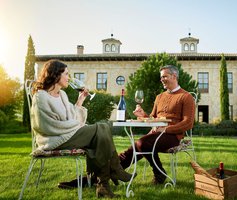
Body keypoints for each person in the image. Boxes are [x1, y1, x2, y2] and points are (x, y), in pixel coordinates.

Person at [31, 59, 134, 198]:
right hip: (54, 139)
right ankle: (114, 171)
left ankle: (104, 184)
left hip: (68, 134)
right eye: (66, 74)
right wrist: (77, 126)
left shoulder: (62, 95)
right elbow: (46, 125)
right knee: (102, 128)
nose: (69, 77)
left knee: (98, 140)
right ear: (56, 75)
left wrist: (80, 100)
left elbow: (71, 117)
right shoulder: (41, 96)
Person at [119, 65, 195, 184]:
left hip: (173, 137)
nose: (162, 79)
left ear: (174, 76)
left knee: (142, 143)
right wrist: (143, 115)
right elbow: (153, 119)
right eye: (161, 77)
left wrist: (166, 130)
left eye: (164, 76)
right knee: (131, 151)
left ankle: (159, 174)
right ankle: (102, 175)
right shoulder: (159, 97)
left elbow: (188, 123)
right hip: (155, 134)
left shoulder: (186, 97)